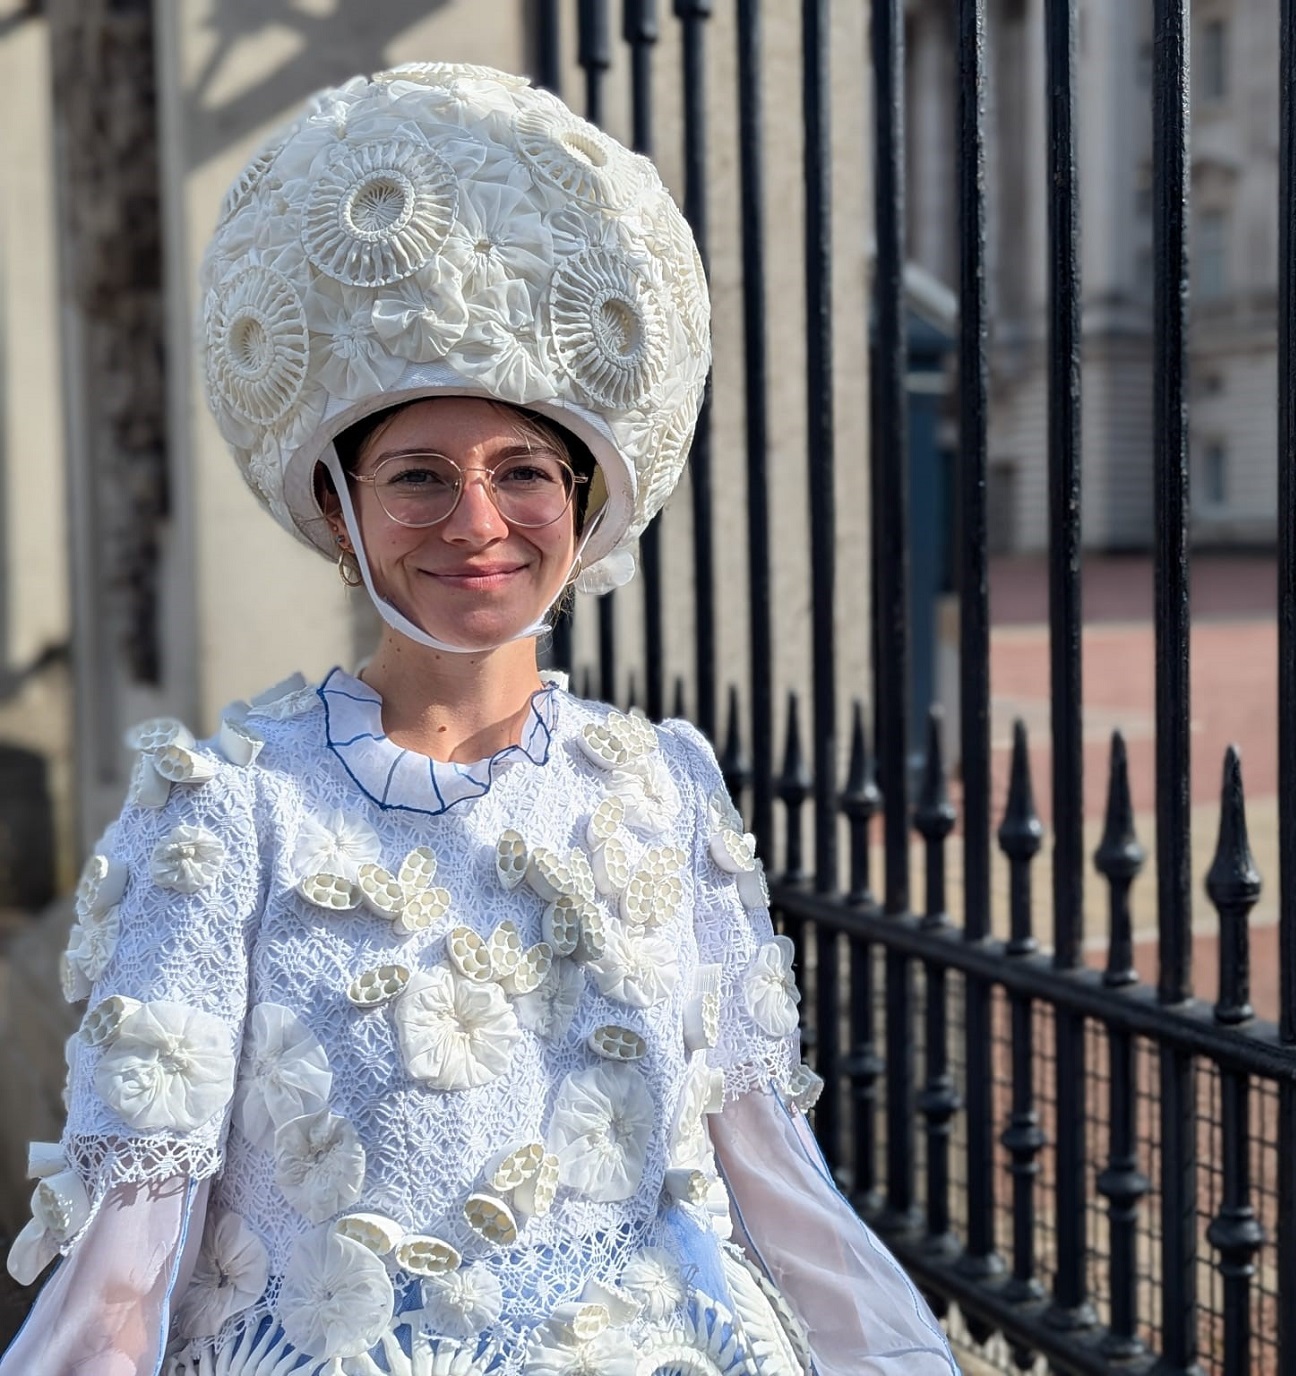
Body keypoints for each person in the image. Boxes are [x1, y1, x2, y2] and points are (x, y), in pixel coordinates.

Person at [0, 64, 960, 1376]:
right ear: (337, 511)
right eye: (417, 478)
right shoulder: (226, 814)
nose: (477, 524)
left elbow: (776, 1188)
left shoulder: (661, 787)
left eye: (522, 472)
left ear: (585, 500)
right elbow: (127, 1268)